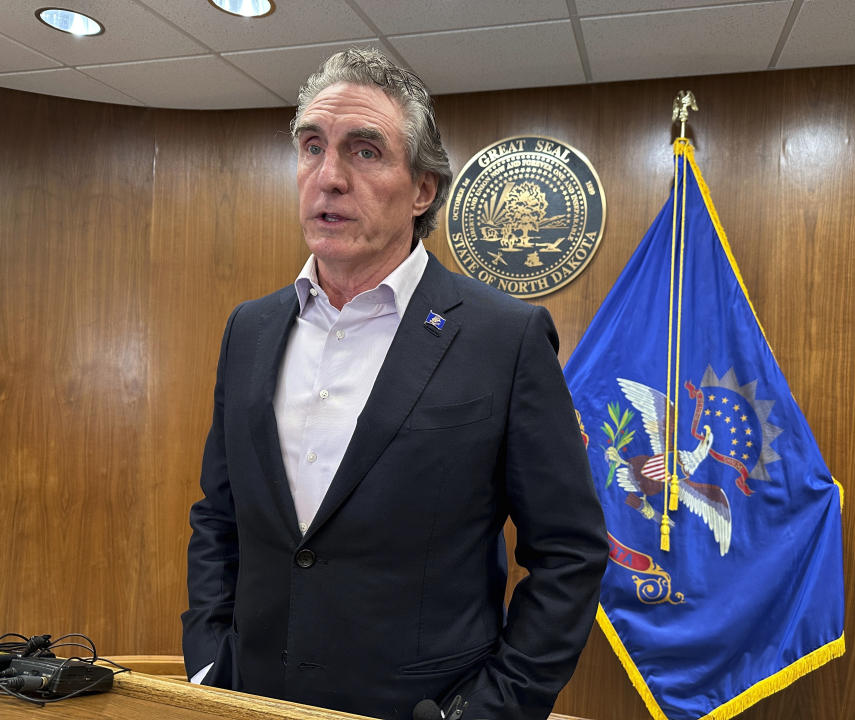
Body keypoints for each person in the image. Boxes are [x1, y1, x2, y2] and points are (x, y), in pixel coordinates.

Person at [182, 48, 607, 720]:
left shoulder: (504, 338)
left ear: (422, 190)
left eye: (365, 151)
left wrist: (493, 709)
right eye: (312, 146)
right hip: (252, 699)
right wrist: (208, 659)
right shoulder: (251, 329)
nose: (329, 177)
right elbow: (219, 516)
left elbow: (569, 554)